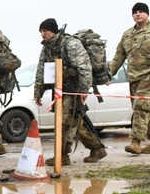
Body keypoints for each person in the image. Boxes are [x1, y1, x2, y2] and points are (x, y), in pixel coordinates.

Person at [33, 19, 107, 165]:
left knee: (65, 121)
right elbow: (41, 70)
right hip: (60, 89)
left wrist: (83, 91)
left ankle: (62, 156)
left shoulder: (70, 44)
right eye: (40, 31)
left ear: (53, 31)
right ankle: (97, 148)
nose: (42, 34)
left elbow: (84, 68)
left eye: (45, 31)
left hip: (74, 88)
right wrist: (38, 92)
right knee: (75, 121)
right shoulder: (47, 47)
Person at [109, 2, 150, 155]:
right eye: (135, 12)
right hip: (133, 78)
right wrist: (109, 74)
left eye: (141, 12)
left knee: (141, 107)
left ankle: (136, 142)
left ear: (147, 14)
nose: (137, 14)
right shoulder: (127, 34)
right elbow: (119, 56)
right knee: (146, 109)